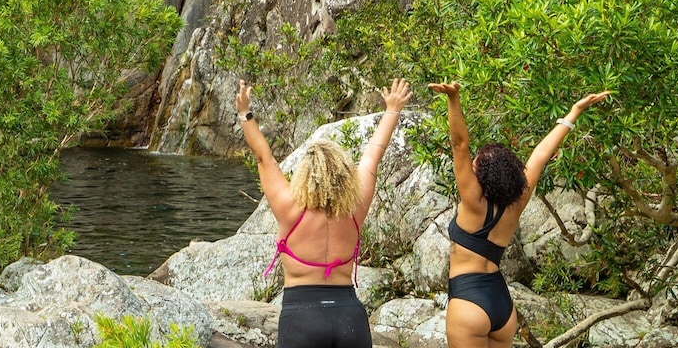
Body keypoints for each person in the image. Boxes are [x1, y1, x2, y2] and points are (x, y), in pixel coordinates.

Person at [429, 82, 610, 347]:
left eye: (476, 161)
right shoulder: (518, 201)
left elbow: (460, 144)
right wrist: (573, 112)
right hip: (501, 304)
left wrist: (453, 99)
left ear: (482, 173)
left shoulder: (472, 202)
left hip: (469, 302)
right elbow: (541, 155)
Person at [237, 78, 412, 348]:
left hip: (302, 318)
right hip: (349, 317)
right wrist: (392, 109)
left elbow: (264, 157)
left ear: (306, 174)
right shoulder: (355, 208)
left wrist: (245, 114)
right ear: (344, 174)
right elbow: (373, 155)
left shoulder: (289, 208)